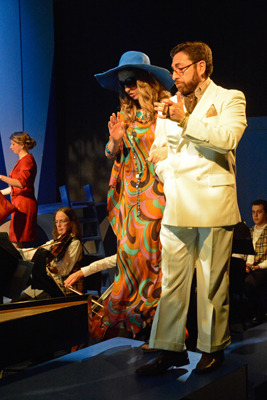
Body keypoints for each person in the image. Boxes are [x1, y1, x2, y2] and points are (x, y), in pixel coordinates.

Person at [136, 41, 247, 376]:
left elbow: (227, 139)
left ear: (201, 67)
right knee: (172, 281)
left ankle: (213, 348)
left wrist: (185, 119)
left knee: (212, 281)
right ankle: (170, 349)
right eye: (173, 69)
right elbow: (158, 154)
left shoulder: (230, 98)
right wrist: (169, 173)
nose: (175, 75)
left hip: (213, 202)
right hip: (178, 202)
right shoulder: (167, 106)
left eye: (180, 68)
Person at [93, 51, 174, 339]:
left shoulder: (166, 109)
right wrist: (115, 140)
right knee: (127, 254)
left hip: (157, 195)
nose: (127, 88)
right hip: (130, 198)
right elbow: (109, 152)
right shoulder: (127, 115)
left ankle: (154, 317)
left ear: (147, 80)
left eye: (131, 81)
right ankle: (129, 319)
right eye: (122, 84)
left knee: (152, 254)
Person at [18, 206, 84, 300]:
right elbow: (34, 251)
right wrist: (17, 251)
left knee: (24, 303)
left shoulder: (75, 243)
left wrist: (50, 269)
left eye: (62, 221)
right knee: (16, 301)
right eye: (56, 221)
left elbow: (64, 269)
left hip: (63, 289)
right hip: (48, 284)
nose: (58, 225)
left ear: (71, 223)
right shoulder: (55, 242)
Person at [0, 131, 37, 248]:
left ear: (22, 145)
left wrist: (0, 177)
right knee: (15, 240)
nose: (11, 147)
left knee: (16, 241)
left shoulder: (27, 160)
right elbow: (14, 187)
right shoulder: (22, 160)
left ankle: (22, 266)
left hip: (24, 205)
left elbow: (21, 184)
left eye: (13, 144)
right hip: (19, 204)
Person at [244, 199, 267, 325]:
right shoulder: (250, 231)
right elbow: (247, 252)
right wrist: (247, 264)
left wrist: (258, 266)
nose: (255, 215)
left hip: (263, 268)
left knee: (250, 282)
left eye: (259, 212)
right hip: (251, 266)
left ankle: (259, 313)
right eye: (253, 212)